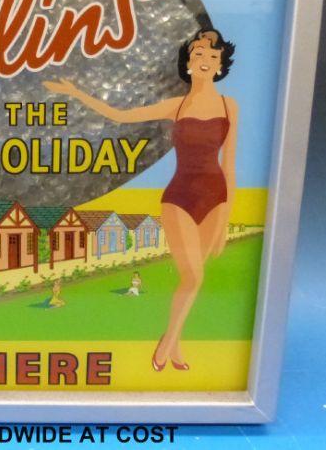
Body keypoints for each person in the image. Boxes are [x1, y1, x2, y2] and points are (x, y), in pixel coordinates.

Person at [45, 28, 237, 371]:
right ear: (188, 63)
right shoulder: (176, 106)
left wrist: (225, 219)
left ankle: (174, 347)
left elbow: (230, 165)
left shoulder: (229, 107)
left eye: (212, 56)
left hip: (216, 198)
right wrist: (75, 92)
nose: (205, 60)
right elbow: (120, 116)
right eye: (198, 54)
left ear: (220, 64)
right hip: (179, 198)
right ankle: (167, 343)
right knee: (192, 276)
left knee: (194, 279)